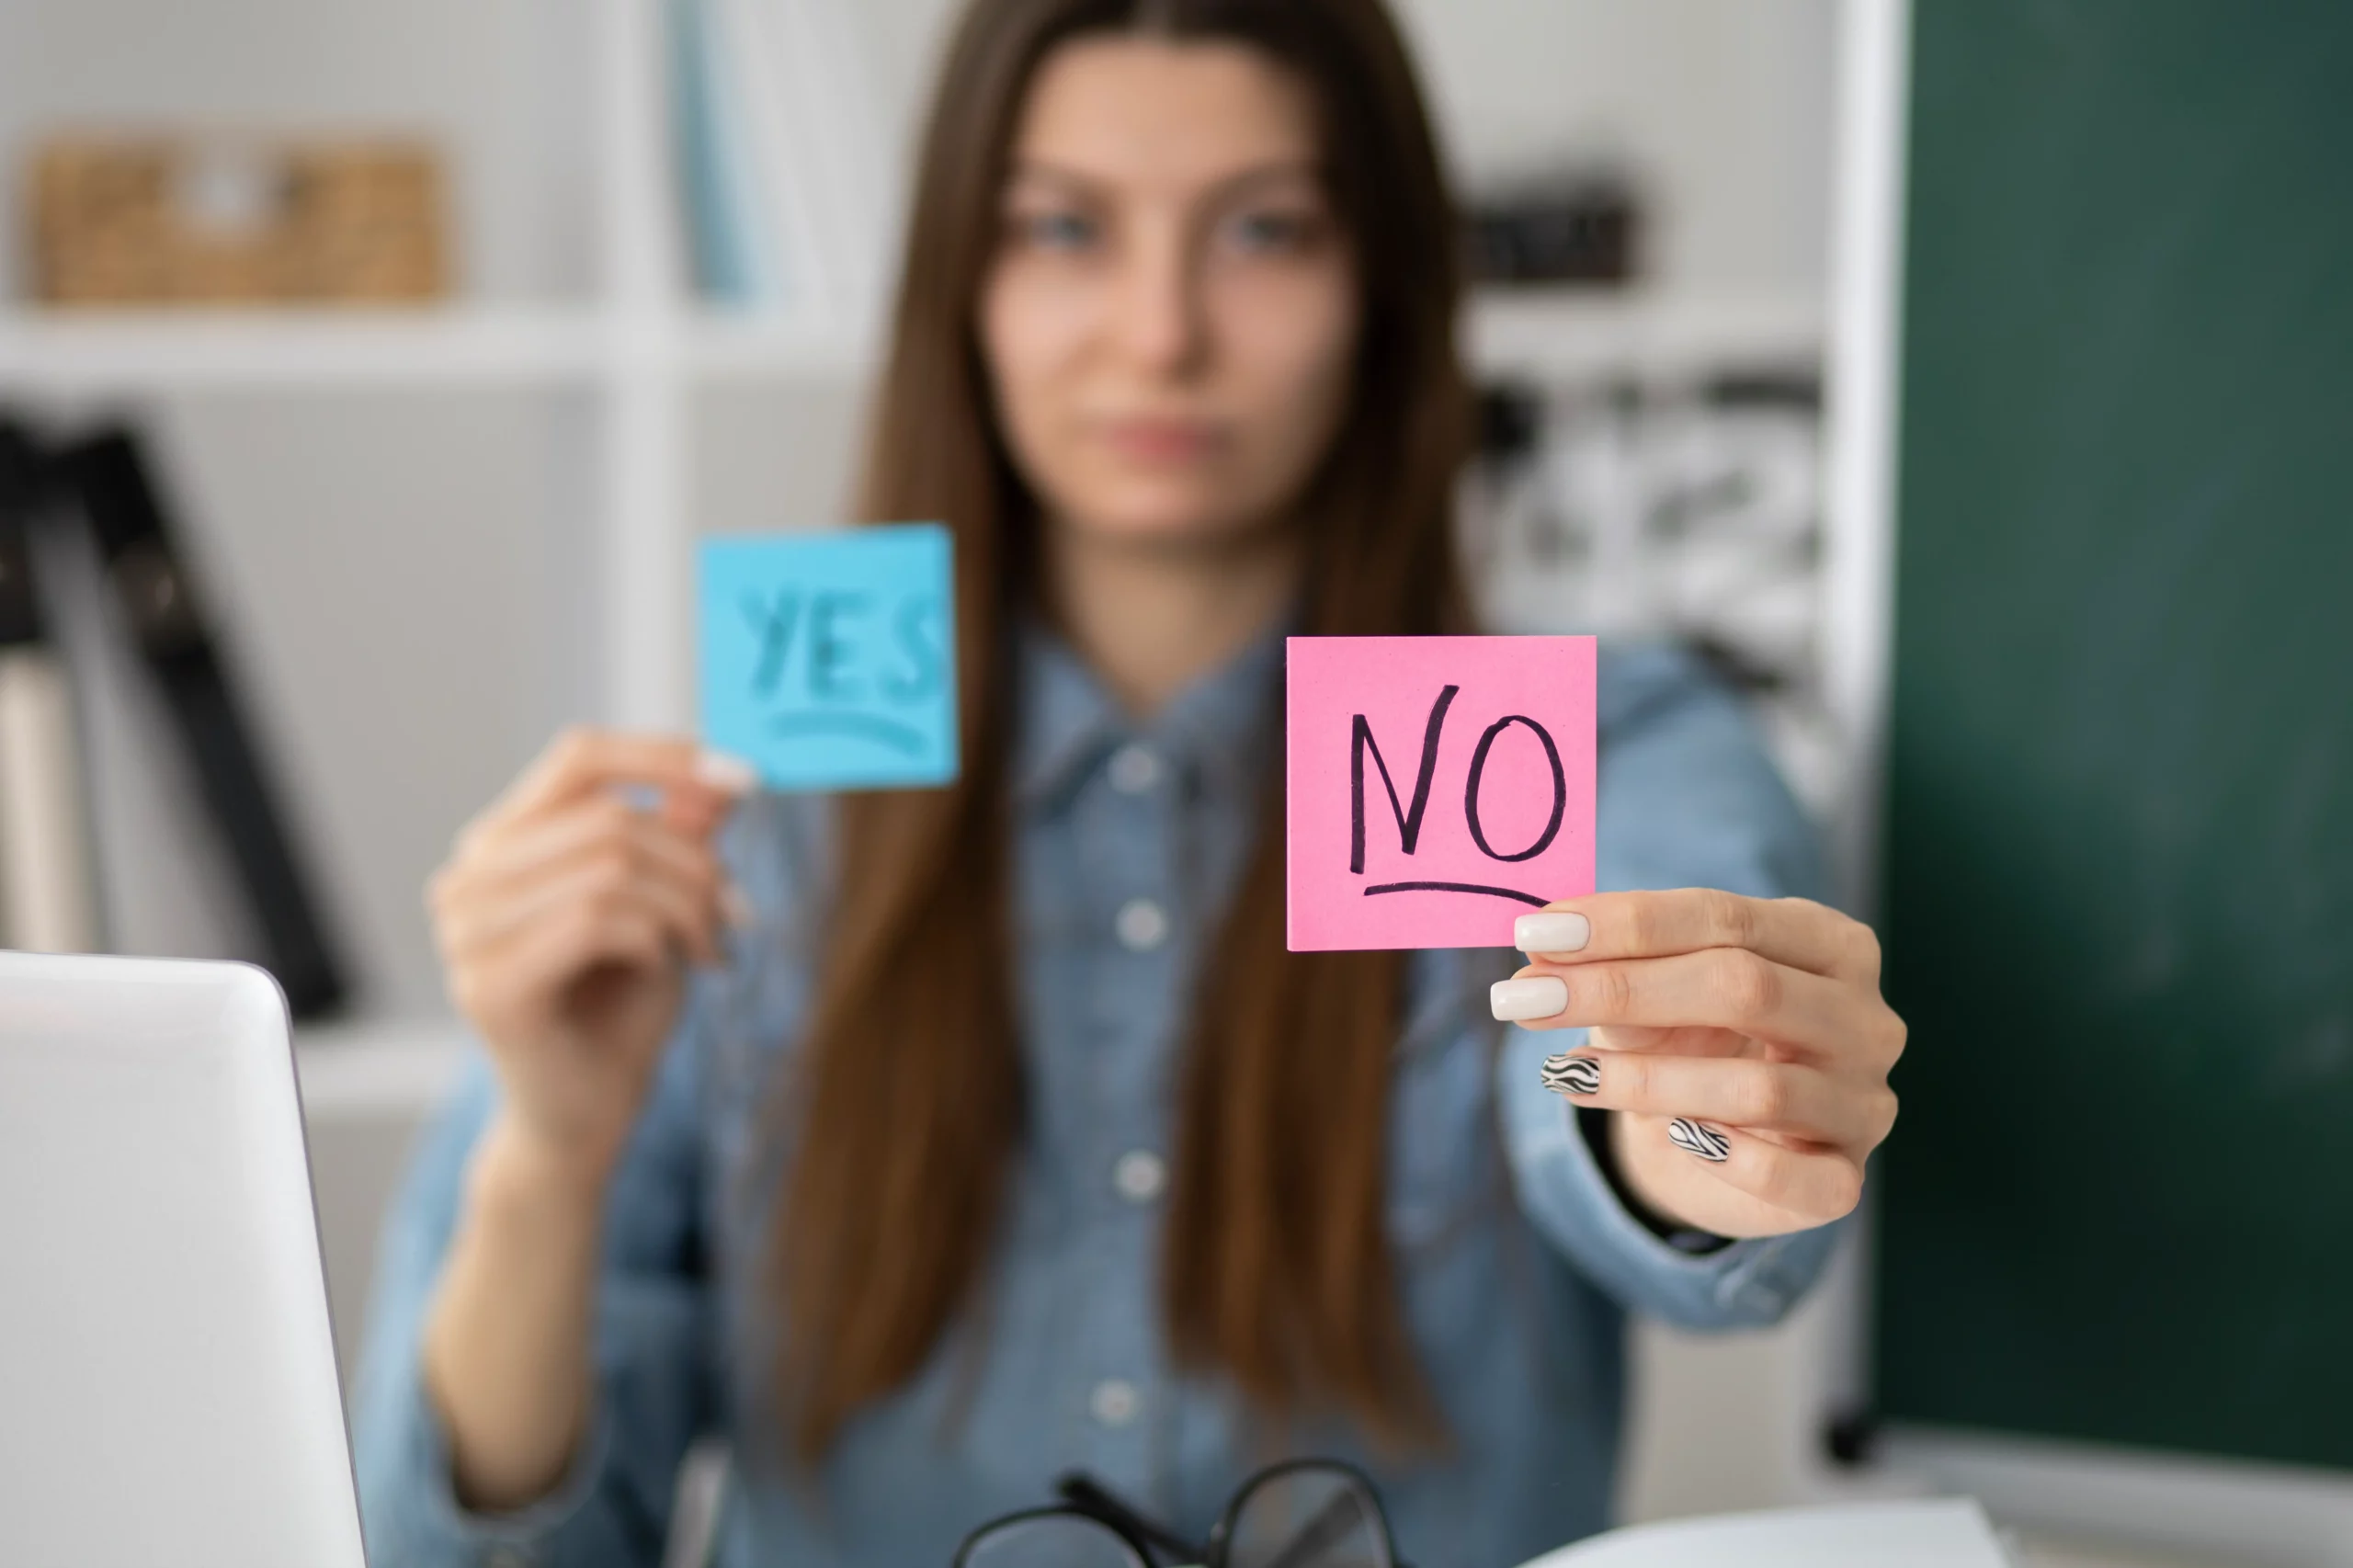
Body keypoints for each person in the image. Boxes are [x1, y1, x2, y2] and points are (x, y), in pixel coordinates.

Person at [352, 0, 1904, 1562]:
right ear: (961, 282)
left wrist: (1691, 1118)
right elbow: (474, 1548)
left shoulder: (1599, 748)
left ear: (1385, 283)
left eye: (1264, 232)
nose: (1160, 332)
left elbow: (1592, 1092)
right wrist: (546, 1159)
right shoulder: (747, 822)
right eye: (1066, 229)